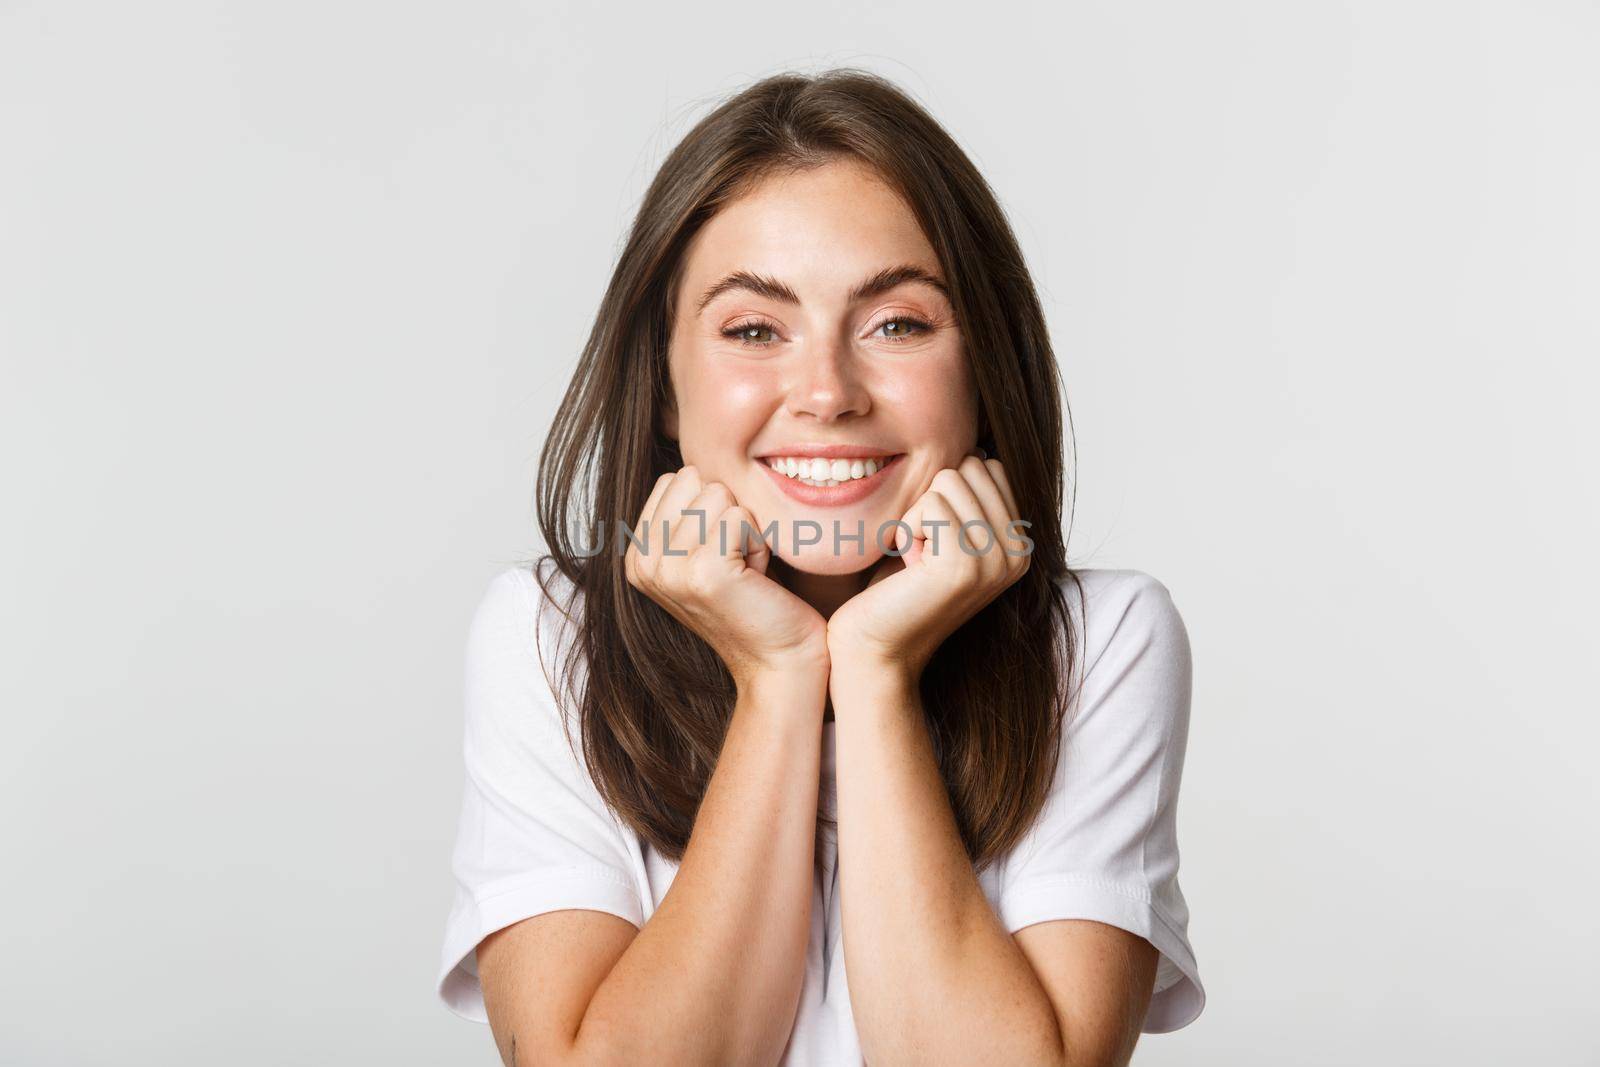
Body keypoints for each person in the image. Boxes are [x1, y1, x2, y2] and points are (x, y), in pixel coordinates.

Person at [436, 68, 1205, 1066]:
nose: (828, 391)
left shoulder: (1100, 641)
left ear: (982, 367)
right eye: (755, 328)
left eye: (897, 323)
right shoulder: (546, 636)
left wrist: (876, 670)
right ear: (666, 387)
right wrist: (778, 675)